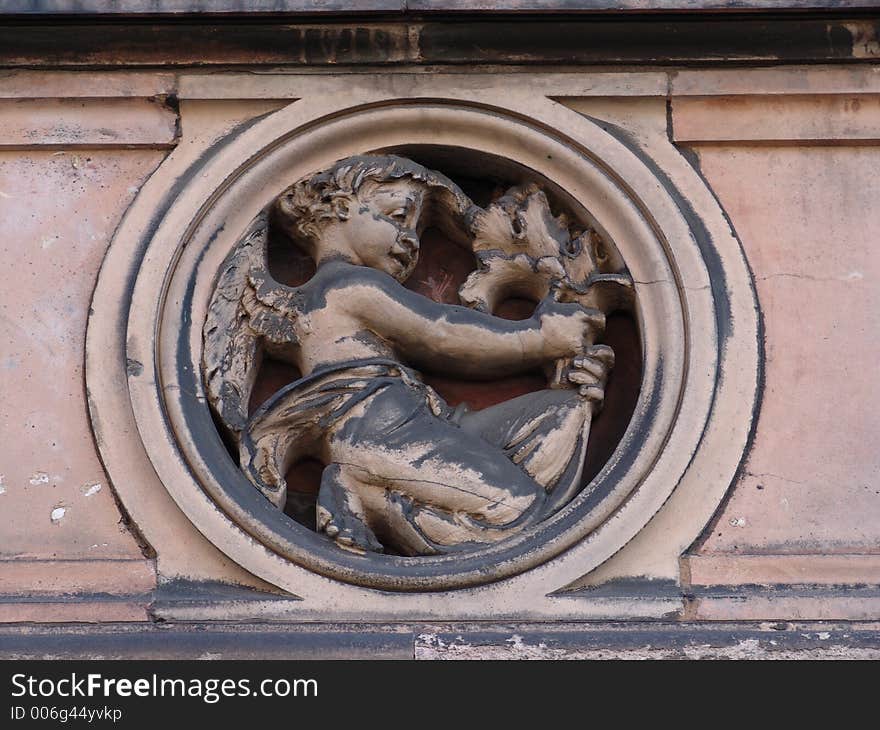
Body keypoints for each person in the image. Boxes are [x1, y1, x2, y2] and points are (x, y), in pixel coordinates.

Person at [239, 155, 614, 556]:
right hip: (380, 433)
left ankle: (421, 492)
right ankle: (364, 494)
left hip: (421, 418)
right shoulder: (347, 287)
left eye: (415, 228)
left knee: (563, 413)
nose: (411, 239)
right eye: (397, 216)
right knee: (514, 507)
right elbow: (439, 332)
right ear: (344, 208)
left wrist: (570, 375)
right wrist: (538, 339)